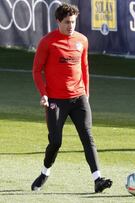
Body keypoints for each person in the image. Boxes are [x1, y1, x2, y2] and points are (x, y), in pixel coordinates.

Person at [31, 3, 112, 193]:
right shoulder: (47, 42)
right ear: (58, 21)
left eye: (73, 22)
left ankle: (97, 179)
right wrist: (43, 93)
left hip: (79, 98)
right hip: (55, 101)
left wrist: (87, 93)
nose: (71, 26)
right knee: (56, 141)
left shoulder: (82, 40)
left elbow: (84, 68)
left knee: (88, 137)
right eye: (67, 22)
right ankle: (45, 172)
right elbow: (36, 71)